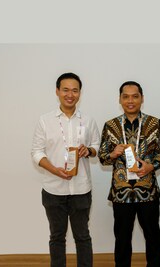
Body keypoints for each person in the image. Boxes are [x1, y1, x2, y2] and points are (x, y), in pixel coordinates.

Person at [31, 72, 100, 267]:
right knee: (57, 237)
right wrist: (54, 169)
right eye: (65, 90)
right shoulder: (45, 120)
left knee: (83, 237)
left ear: (80, 93)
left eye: (75, 90)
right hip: (53, 189)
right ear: (57, 91)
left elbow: (97, 146)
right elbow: (36, 152)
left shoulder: (88, 120)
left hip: (81, 189)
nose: (70, 94)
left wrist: (90, 150)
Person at [98, 81, 160, 267]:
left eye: (135, 96)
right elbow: (102, 157)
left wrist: (151, 166)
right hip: (121, 193)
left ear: (142, 99)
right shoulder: (111, 125)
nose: (130, 100)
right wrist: (113, 154)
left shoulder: (154, 123)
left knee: (153, 236)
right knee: (122, 239)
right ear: (119, 99)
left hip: (148, 191)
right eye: (125, 96)